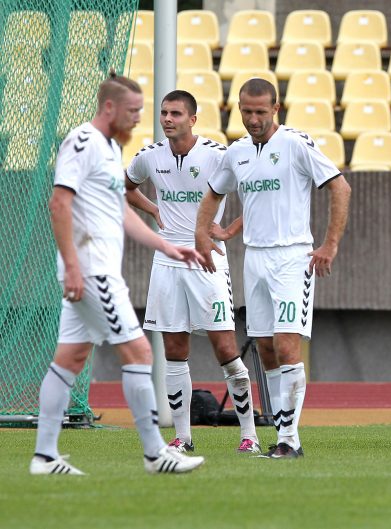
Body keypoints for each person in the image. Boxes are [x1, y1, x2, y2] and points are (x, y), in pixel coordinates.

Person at [31, 73, 206, 475]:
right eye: (133, 112)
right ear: (109, 108)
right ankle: (154, 454)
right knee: (140, 352)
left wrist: (167, 245)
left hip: (94, 271)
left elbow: (121, 211)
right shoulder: (83, 142)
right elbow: (58, 204)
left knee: (70, 358)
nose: (138, 119)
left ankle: (44, 456)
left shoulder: (110, 148)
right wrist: (73, 266)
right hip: (91, 273)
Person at [195, 78, 351, 459]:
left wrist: (329, 244)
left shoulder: (296, 143)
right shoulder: (236, 152)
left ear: (275, 110)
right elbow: (216, 193)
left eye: (260, 112)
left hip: (293, 257)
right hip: (255, 258)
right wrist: (205, 232)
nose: (252, 119)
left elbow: (340, 187)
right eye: (246, 111)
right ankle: (283, 432)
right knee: (265, 348)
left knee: (286, 343)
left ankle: (289, 440)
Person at [125, 90, 260, 454]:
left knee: (226, 348)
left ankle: (249, 434)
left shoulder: (218, 156)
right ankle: (182, 437)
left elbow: (257, 194)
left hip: (208, 259)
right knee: (174, 348)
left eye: (176, 114)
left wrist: (228, 231)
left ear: (193, 119)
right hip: (167, 260)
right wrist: (153, 209)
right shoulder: (150, 157)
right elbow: (125, 188)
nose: (168, 119)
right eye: (164, 113)